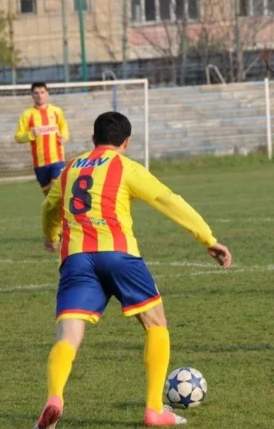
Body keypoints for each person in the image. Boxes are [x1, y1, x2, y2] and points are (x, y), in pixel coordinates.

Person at [34, 111, 232, 428]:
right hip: (119, 255)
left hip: (76, 259)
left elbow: (49, 207)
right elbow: (167, 199)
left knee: (68, 335)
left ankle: (54, 398)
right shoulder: (126, 167)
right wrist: (207, 238)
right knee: (156, 324)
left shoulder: (70, 168)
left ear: (93, 139)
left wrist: (51, 235)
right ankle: (154, 409)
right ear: (126, 142)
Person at [15, 82, 70, 195]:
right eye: (36, 93)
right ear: (32, 95)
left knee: (57, 190)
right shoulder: (27, 114)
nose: (40, 96)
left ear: (47, 93)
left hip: (57, 159)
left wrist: (64, 137)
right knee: (49, 196)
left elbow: (63, 126)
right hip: (40, 163)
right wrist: (30, 134)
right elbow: (18, 137)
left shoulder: (56, 111)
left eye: (42, 92)